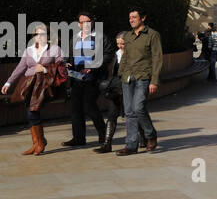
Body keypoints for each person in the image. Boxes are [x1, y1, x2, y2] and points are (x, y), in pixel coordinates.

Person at [2, 23, 65, 156]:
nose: (39, 37)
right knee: (30, 112)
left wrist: (45, 69)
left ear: (47, 36)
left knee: (33, 111)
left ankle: (40, 142)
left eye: (42, 34)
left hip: (44, 86)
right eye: (37, 34)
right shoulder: (28, 50)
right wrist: (8, 82)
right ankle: (37, 143)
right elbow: (20, 68)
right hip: (28, 85)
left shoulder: (55, 49)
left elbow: (62, 68)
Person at [117, 9, 164, 155]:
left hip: (143, 78)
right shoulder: (128, 36)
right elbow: (125, 57)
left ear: (143, 18)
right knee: (129, 112)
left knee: (138, 108)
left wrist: (154, 81)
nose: (131, 20)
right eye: (129, 17)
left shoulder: (152, 35)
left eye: (134, 17)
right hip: (127, 78)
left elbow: (157, 58)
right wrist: (120, 74)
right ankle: (131, 145)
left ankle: (150, 135)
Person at [63, 13, 107, 147]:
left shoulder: (100, 37)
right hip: (76, 79)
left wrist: (92, 67)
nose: (85, 24)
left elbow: (108, 54)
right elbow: (67, 56)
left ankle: (104, 133)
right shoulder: (74, 38)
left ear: (92, 22)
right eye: (82, 22)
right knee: (76, 110)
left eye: (87, 21)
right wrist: (66, 63)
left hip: (92, 79)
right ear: (78, 24)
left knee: (90, 107)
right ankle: (78, 138)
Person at [94, 32, 128, 153]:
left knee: (131, 115)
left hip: (127, 88)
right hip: (115, 89)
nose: (120, 46)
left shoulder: (132, 55)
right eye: (118, 43)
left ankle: (143, 138)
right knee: (112, 115)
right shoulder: (116, 55)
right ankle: (107, 143)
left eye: (122, 43)